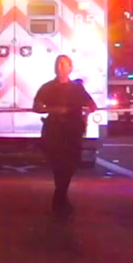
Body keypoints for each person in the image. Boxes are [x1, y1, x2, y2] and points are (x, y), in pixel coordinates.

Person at [33, 55, 96, 214]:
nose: (60, 67)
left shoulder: (77, 88)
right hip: (54, 130)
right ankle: (60, 198)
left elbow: (92, 104)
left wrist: (85, 115)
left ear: (70, 68)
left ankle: (60, 197)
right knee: (58, 164)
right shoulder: (47, 87)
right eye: (58, 64)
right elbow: (37, 106)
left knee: (69, 165)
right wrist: (54, 110)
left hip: (72, 131)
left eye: (63, 64)